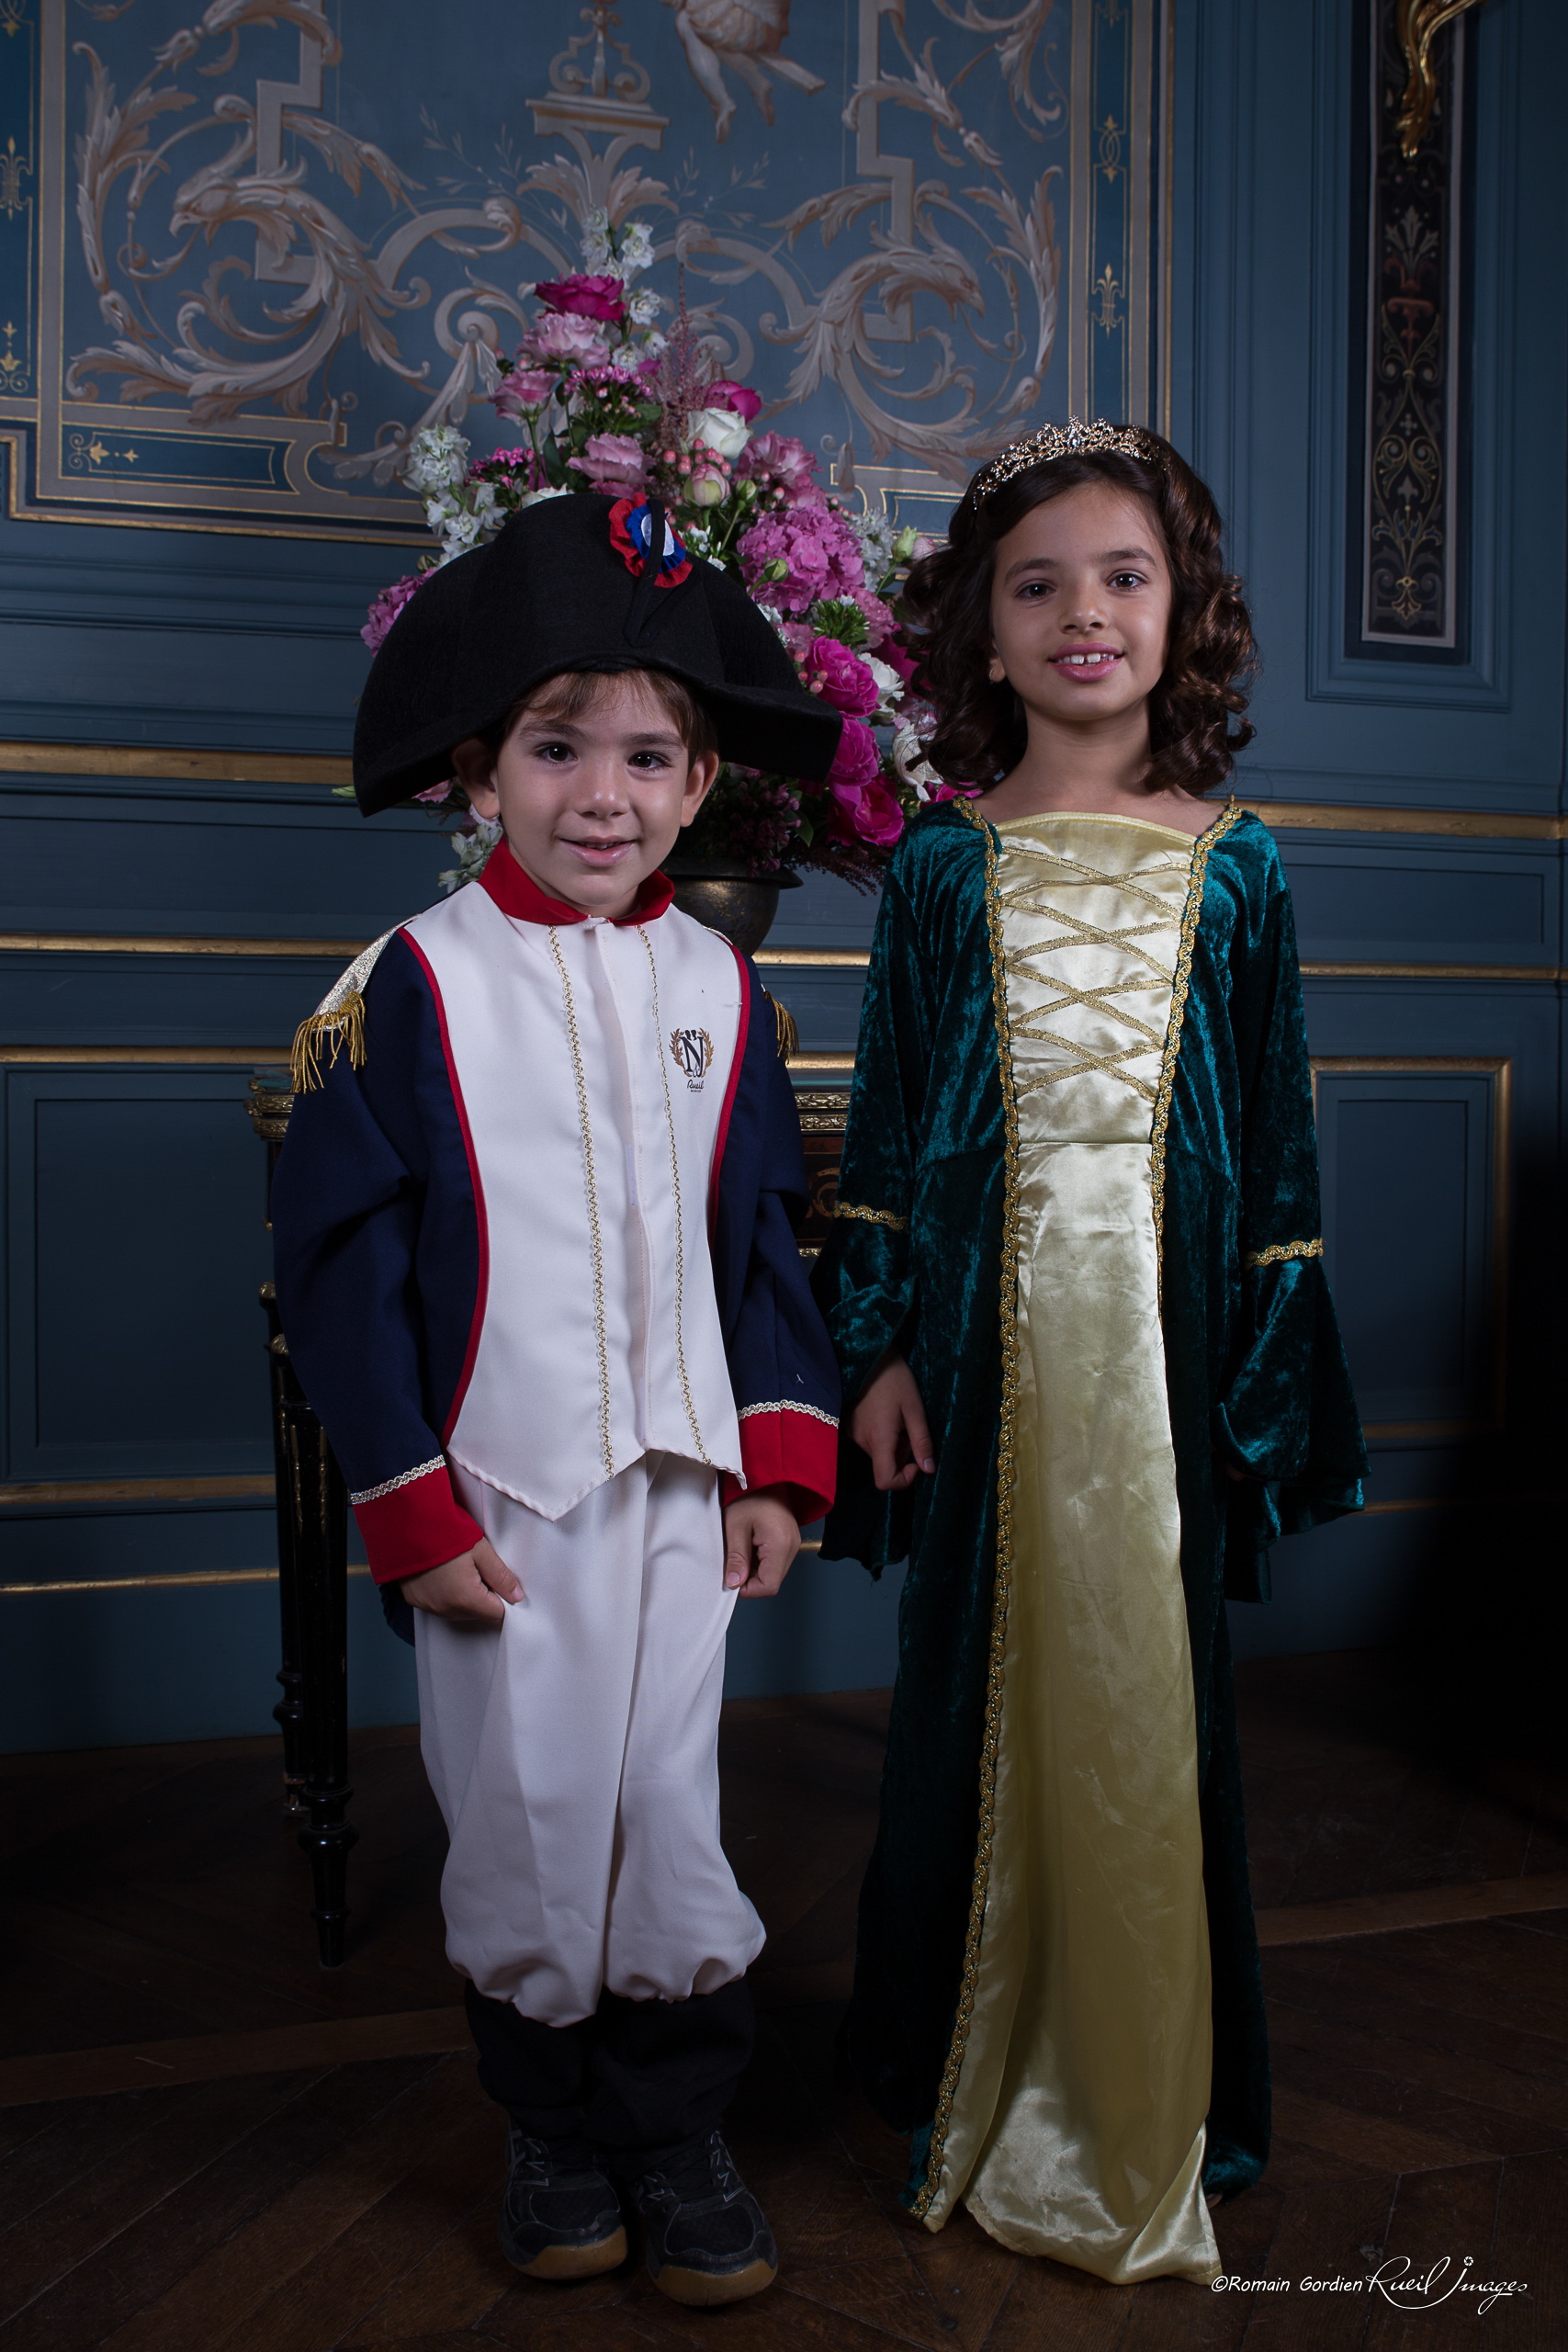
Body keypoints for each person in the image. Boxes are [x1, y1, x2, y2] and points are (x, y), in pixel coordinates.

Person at [271, 492, 843, 2309]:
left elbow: (762, 1239)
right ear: (478, 772)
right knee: (523, 1813)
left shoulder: (723, 988)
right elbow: (342, 1273)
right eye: (556, 749)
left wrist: (775, 1461)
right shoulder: (410, 986)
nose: (603, 795)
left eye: (647, 758)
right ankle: (550, 2125)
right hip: (496, 1496)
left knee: (666, 1803)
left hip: (681, 1490)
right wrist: (410, 1505)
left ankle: (675, 2128)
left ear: (700, 784)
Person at [812, 420, 1367, 2283]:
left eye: (1123, 577)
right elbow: (889, 1135)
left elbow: (1273, 1152)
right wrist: (877, 1348)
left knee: (1148, 1688)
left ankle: (1152, 2067)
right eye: (1035, 584)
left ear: (1181, 610)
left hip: (1163, 1357)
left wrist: (1258, 1384)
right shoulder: (937, 865)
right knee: (967, 1672)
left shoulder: (1240, 864)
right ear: (980, 632)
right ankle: (945, 2049)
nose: (1082, 613)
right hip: (980, 1358)